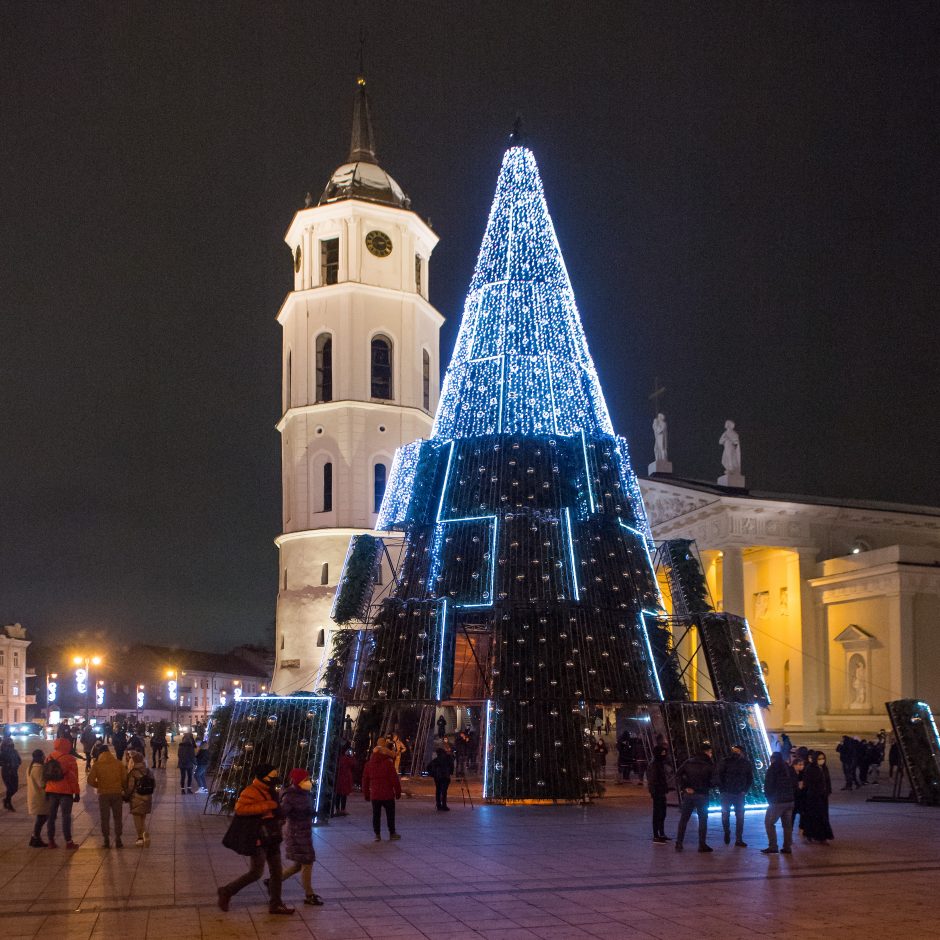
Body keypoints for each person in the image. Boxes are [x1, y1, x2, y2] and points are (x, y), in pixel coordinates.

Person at [217, 764, 294, 916]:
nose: (275, 779)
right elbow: (240, 809)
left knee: (277, 872)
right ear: (263, 777)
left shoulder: (271, 791)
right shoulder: (251, 791)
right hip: (259, 837)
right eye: (272, 776)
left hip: (272, 836)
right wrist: (267, 806)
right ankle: (226, 891)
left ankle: (276, 904)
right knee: (256, 873)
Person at [278, 769, 323, 906]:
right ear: (298, 782)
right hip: (296, 833)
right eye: (305, 780)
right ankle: (309, 894)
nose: (309, 782)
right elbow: (282, 813)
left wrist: (311, 813)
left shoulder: (303, 793)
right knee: (307, 862)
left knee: (299, 865)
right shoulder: (290, 796)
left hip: (303, 832)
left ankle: (275, 881)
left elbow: (303, 810)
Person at [674, 743, 716, 852]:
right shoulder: (709, 764)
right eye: (710, 752)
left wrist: (685, 787)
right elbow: (714, 781)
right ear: (706, 752)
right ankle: (702, 844)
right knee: (702, 820)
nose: (711, 754)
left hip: (689, 795)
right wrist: (707, 786)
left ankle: (679, 842)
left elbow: (677, 775)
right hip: (702, 795)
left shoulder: (689, 762)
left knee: (684, 819)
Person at [87, 744, 128, 848]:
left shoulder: (97, 764)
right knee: (117, 817)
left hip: (103, 794)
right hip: (117, 793)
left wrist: (99, 785)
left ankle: (106, 839)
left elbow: (90, 780)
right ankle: (118, 839)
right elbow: (124, 779)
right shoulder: (118, 763)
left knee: (104, 817)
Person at [45, 732, 81, 849]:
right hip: (66, 792)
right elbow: (73, 777)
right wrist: (77, 792)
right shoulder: (70, 759)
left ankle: (51, 840)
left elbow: (45, 774)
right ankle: (68, 841)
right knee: (66, 816)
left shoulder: (49, 756)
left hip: (51, 790)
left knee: (51, 816)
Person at [362, 737, 401, 841]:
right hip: (388, 794)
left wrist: (366, 794)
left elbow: (365, 781)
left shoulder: (368, 765)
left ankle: (377, 835)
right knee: (390, 814)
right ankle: (392, 833)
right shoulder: (388, 764)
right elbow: (394, 779)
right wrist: (398, 792)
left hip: (375, 794)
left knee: (376, 815)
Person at [762, 752, 798, 854]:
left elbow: (768, 786)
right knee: (787, 825)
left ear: (773, 759)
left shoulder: (773, 769)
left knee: (769, 823)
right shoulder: (788, 768)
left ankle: (773, 846)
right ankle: (787, 847)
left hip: (777, 802)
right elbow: (795, 783)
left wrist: (770, 799)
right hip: (790, 801)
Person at [717, 744, 753, 848]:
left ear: (741, 752)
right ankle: (727, 832)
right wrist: (722, 790)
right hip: (727, 793)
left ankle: (739, 839)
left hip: (739, 794)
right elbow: (719, 775)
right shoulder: (726, 761)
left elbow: (749, 778)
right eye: (734, 750)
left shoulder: (746, 763)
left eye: (737, 751)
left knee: (740, 817)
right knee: (725, 815)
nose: (735, 752)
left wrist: (744, 790)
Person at [125, 750, 154, 846]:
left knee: (137, 819)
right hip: (147, 798)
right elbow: (154, 784)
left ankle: (140, 838)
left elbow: (130, 787)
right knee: (143, 818)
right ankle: (144, 833)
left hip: (136, 798)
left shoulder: (133, 772)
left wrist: (126, 796)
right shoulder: (149, 771)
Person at [647, 744, 670, 844]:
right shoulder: (654, 764)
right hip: (657, 792)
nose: (664, 754)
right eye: (663, 753)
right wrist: (654, 791)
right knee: (657, 813)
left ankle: (661, 833)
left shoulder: (659, 763)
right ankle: (656, 835)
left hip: (661, 791)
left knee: (662, 813)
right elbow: (653, 780)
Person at [27, 748, 50, 847]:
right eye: (43, 756)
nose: (44, 757)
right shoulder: (39, 768)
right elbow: (42, 783)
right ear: (40, 757)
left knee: (41, 817)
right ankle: (35, 837)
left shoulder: (31, 767)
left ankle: (35, 838)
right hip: (40, 797)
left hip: (34, 796)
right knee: (42, 817)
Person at [427, 747, 454, 811]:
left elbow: (428, 767)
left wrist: (432, 774)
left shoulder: (436, 760)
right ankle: (444, 805)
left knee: (438, 790)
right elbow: (451, 765)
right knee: (444, 791)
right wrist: (450, 772)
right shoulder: (448, 758)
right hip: (445, 777)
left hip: (437, 777)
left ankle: (438, 805)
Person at [1, 734, 22, 810]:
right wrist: (6, 764)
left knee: (15, 788)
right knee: (10, 788)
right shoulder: (2, 752)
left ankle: (6, 800)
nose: (12, 743)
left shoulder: (14, 751)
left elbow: (19, 760)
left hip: (14, 772)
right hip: (6, 772)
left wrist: (18, 763)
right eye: (10, 742)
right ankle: (9, 803)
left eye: (12, 742)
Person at [333, 748, 356, 816]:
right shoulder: (347, 759)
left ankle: (337, 809)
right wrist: (352, 756)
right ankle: (343, 809)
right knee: (344, 795)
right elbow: (353, 764)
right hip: (345, 777)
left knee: (338, 794)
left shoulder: (338, 758)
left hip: (339, 777)